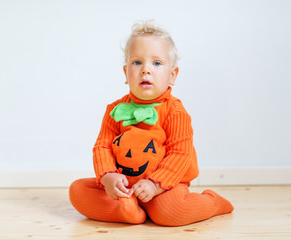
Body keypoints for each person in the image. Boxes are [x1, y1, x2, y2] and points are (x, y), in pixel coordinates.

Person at [69, 20, 234, 226]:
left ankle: (213, 203)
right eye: (137, 62)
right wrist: (108, 177)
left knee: (169, 213)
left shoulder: (175, 112)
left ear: (172, 75)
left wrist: (156, 185)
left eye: (156, 63)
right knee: (78, 190)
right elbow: (102, 146)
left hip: (165, 187)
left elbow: (179, 154)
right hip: (125, 186)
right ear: (126, 73)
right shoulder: (114, 110)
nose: (146, 70)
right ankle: (127, 211)